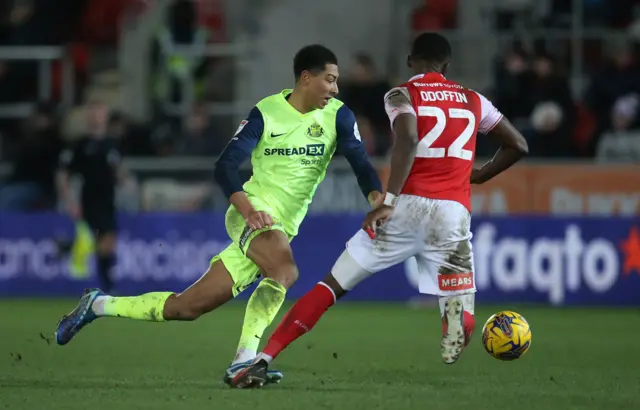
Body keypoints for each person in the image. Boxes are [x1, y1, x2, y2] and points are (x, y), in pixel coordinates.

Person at [54, 44, 383, 387]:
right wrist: (249, 210)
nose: (335, 88)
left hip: (281, 227)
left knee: (186, 307)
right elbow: (225, 166)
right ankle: (244, 362)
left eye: (336, 81)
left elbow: (361, 164)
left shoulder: (339, 116)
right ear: (306, 78)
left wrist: (377, 199)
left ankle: (97, 305)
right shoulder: (266, 113)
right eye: (330, 80)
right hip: (250, 214)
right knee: (284, 270)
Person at [231, 32, 529, 388]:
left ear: (410, 61)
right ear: (446, 66)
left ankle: (263, 359)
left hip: (405, 208)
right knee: (462, 317)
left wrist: (387, 200)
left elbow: (408, 139)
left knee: (330, 287)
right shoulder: (473, 100)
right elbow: (518, 144)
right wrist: (478, 175)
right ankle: (456, 320)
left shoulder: (400, 94)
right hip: (452, 213)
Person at [57, 102, 124, 293]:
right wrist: (69, 200)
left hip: (108, 198)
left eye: (101, 112)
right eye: (94, 112)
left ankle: (106, 285)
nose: (97, 116)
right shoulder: (80, 145)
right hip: (88, 198)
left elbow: (118, 170)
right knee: (94, 241)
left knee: (108, 241)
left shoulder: (112, 144)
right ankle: (106, 286)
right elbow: (64, 173)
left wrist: (126, 183)